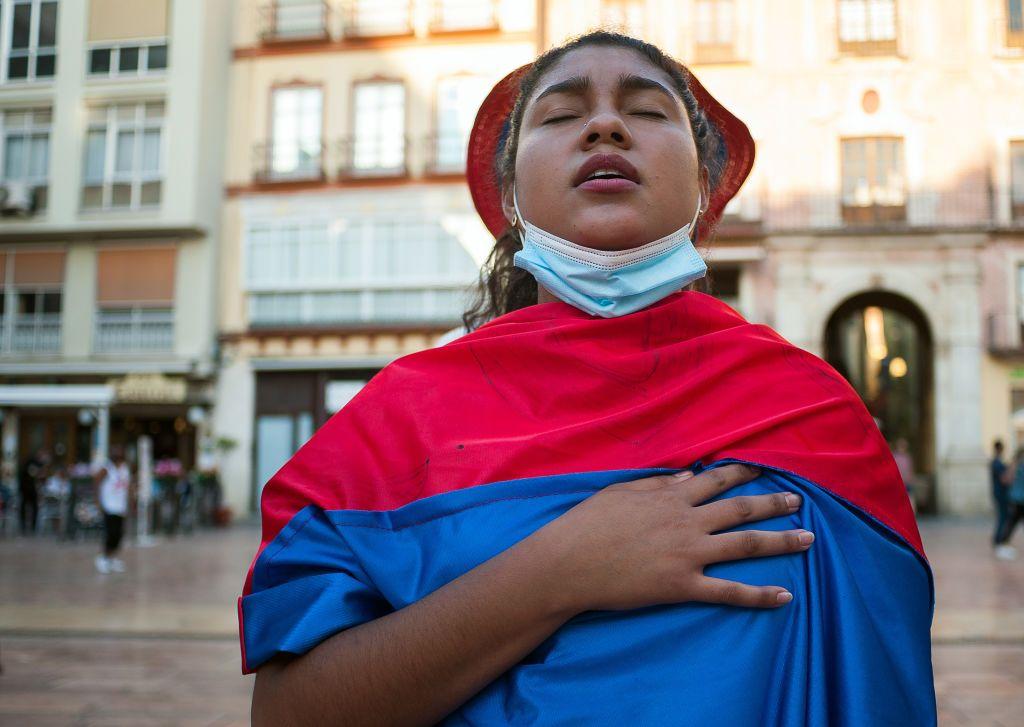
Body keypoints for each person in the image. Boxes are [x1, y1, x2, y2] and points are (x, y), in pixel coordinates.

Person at [242, 32, 934, 725]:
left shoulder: (813, 408)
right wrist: (562, 568)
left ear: (701, 185)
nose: (606, 125)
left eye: (648, 110)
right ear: (510, 193)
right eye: (563, 114)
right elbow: (286, 711)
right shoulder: (395, 417)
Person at [93, 446, 132, 574]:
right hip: (109, 506)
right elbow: (96, 483)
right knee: (111, 533)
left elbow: (128, 487)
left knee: (119, 534)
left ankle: (112, 558)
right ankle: (103, 557)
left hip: (120, 506)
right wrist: (98, 502)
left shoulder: (125, 468)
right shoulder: (107, 468)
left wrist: (130, 503)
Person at [995, 447, 1024, 559]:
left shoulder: (1016, 465)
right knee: (1012, 522)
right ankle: (1002, 544)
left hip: (1018, 498)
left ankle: (1002, 543)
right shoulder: (1017, 465)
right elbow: (1005, 478)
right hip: (1018, 499)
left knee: (1012, 522)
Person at [991, 439, 1013, 558]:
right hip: (1001, 494)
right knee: (1003, 517)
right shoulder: (997, 463)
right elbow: (1004, 479)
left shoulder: (996, 462)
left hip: (999, 493)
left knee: (1003, 516)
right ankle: (998, 540)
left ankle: (998, 540)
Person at [17, 449, 47, 536]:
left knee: (32, 507)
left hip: (31, 490)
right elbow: (34, 474)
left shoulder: (37, 464)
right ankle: (25, 526)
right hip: (26, 489)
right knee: (26, 507)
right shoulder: (31, 463)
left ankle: (30, 527)